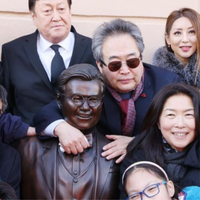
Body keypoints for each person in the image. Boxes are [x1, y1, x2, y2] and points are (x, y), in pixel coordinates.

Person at [34, 18, 180, 164]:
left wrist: (137, 143)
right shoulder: (90, 84)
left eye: (132, 62)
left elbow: (182, 131)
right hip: (100, 169)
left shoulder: (167, 83)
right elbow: (45, 114)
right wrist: (61, 128)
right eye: (115, 64)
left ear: (141, 58)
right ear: (100, 65)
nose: (125, 70)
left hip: (152, 166)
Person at [16, 64, 120, 199]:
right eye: (77, 99)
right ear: (59, 100)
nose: (85, 107)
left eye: (93, 100)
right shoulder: (28, 149)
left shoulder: (116, 152)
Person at [1, 0, 96, 125]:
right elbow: (6, 105)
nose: (56, 18)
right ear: (34, 17)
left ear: (70, 11)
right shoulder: (12, 51)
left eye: (61, 9)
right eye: (47, 11)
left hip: (84, 140)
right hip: (29, 139)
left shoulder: (94, 49)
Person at [120, 83, 200, 199]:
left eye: (189, 114)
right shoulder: (137, 157)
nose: (180, 124)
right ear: (158, 122)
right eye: (171, 115)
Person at [152, 8, 200, 89]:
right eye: (178, 33)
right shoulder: (157, 74)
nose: (185, 39)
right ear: (167, 38)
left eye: (191, 32)